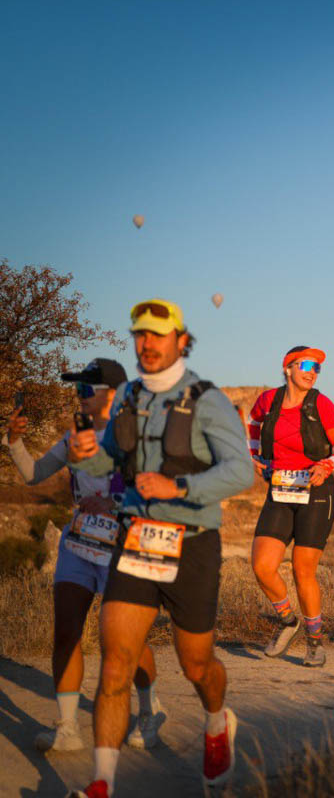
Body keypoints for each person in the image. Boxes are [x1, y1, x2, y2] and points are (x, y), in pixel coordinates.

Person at [66, 299, 255, 796]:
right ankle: (101, 784)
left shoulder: (206, 399)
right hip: (135, 540)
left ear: (180, 340)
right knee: (114, 664)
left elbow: (241, 471)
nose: (147, 344)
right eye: (139, 335)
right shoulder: (127, 395)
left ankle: (217, 722)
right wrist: (83, 458)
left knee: (196, 664)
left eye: (157, 335)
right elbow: (108, 465)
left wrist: (180, 490)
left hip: (192, 544)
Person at [5, 359, 164, 753]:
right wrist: (13, 442)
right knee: (66, 633)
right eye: (76, 389)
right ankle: (67, 728)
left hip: (123, 548)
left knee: (126, 640)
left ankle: (148, 711)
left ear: (113, 392)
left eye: (84, 389)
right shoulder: (75, 433)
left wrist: (117, 504)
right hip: (78, 545)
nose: (77, 396)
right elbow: (34, 474)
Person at [247, 346, 334, 668]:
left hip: (317, 491)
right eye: (307, 365)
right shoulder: (268, 401)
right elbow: (253, 425)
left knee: (302, 569)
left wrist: (327, 466)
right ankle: (288, 622)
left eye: (318, 368)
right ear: (288, 367)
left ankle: (315, 642)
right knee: (262, 566)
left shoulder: (321, 403)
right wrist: (256, 457)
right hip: (281, 489)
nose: (312, 371)